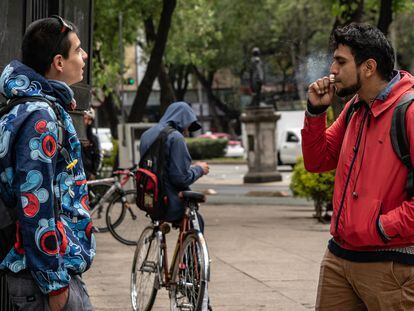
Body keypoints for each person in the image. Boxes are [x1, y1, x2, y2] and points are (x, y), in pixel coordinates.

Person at [303, 22, 414, 310]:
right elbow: (317, 162)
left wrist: (379, 228)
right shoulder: (356, 107)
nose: (332, 70)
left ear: (368, 67)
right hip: (339, 259)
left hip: (392, 263)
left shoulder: (409, 111)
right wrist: (316, 112)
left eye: (341, 61)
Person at [0, 16, 95, 310]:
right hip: (44, 279)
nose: (84, 56)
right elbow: (35, 203)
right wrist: (55, 286)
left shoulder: (41, 108)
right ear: (58, 62)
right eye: (78, 50)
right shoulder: (40, 118)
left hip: (49, 271)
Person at [139, 101, 209, 222]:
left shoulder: (146, 135)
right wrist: (199, 169)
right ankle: (189, 240)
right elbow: (180, 178)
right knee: (197, 220)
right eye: (188, 125)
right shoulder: (176, 137)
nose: (187, 130)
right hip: (168, 203)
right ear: (182, 119)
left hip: (148, 200)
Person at [82, 108, 102, 180]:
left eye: (89, 119)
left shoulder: (94, 138)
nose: (86, 121)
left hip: (89, 175)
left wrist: (94, 173)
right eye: (84, 118)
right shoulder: (74, 135)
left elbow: (98, 156)